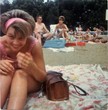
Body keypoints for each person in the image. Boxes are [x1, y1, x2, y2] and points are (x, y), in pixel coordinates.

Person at [0, 9, 46, 110]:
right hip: (5, 81)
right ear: (5, 32)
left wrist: (32, 67)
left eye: (21, 38)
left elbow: (42, 78)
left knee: (20, 73)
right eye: (11, 36)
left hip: (28, 81)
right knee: (6, 71)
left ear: (27, 36)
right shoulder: (0, 45)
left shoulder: (34, 45)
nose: (15, 43)